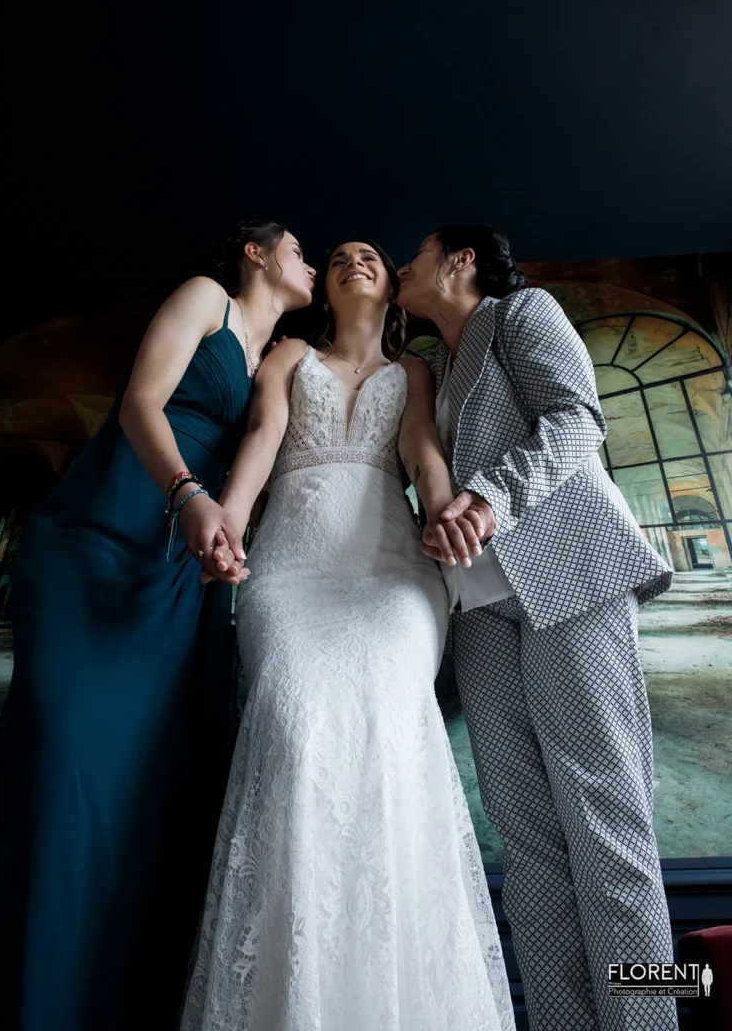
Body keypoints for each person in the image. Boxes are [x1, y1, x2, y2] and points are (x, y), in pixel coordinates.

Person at [0, 221, 315, 1031]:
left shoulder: (279, 365)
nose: (310, 259)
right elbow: (140, 403)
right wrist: (190, 496)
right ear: (254, 254)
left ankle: (110, 1000)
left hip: (177, 580)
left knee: (142, 788)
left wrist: (227, 535)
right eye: (296, 247)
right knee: (63, 764)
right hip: (97, 543)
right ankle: (24, 998)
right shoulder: (208, 301)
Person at [181, 240, 516, 1031]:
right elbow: (262, 439)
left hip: (391, 578)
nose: (353, 260)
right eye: (336, 257)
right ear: (325, 290)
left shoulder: (417, 373)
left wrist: (446, 515)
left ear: (390, 289)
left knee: (391, 733)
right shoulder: (292, 353)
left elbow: (422, 455)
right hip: (293, 576)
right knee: (297, 737)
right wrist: (225, 521)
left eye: (369, 254)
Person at [396, 225, 678, 1031]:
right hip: (481, 611)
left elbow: (575, 420)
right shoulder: (439, 369)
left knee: (608, 823)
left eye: (416, 252)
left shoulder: (523, 312)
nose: (404, 264)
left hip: (572, 578)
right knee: (526, 839)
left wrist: (483, 503)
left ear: (459, 260)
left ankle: (650, 1022)